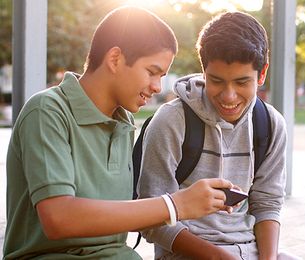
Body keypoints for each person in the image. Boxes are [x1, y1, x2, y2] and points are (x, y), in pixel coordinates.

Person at [3, 6, 234, 260]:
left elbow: (119, 214)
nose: (157, 87)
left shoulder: (123, 123)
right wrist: (175, 204)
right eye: (152, 72)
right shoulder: (47, 111)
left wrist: (197, 210)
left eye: (162, 76)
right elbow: (58, 217)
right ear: (115, 59)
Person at [138, 11, 298, 260]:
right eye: (217, 81)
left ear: (262, 73)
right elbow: (152, 219)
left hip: (251, 249)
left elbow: (268, 204)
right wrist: (219, 258)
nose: (229, 96)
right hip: (187, 252)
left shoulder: (271, 124)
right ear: (204, 72)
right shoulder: (171, 121)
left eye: (242, 82)